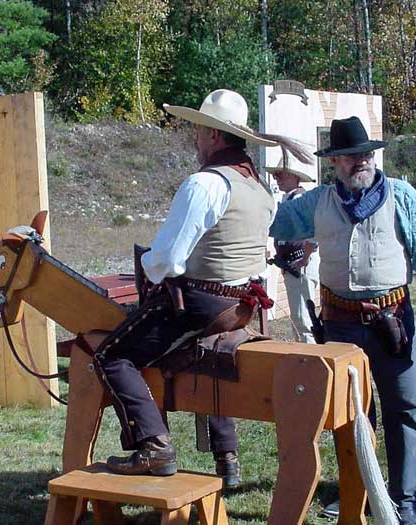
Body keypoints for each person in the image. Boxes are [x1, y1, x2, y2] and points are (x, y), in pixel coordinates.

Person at [94, 89, 311, 487]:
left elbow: (167, 260)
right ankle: (225, 457)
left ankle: (153, 445)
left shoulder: (204, 184)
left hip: (203, 303)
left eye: (198, 130)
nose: (195, 137)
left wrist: (144, 264)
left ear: (213, 136)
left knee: (110, 356)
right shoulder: (260, 188)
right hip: (243, 306)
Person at [270, 116, 416, 525]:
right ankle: (361, 493)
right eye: (351, 157)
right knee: (350, 415)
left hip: (393, 320)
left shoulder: (401, 196)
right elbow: (276, 223)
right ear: (334, 163)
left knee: (403, 409)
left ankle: (405, 501)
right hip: (340, 324)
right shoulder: (316, 202)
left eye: (366, 155)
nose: (361, 162)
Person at [266, 150, 320, 343]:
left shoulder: (299, 200)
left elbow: (312, 234)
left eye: (282, 174)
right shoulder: (288, 199)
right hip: (294, 264)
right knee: (299, 318)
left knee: (304, 320)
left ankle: (310, 362)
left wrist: (303, 259)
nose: (277, 178)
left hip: (300, 264)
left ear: (295, 176)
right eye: (276, 174)